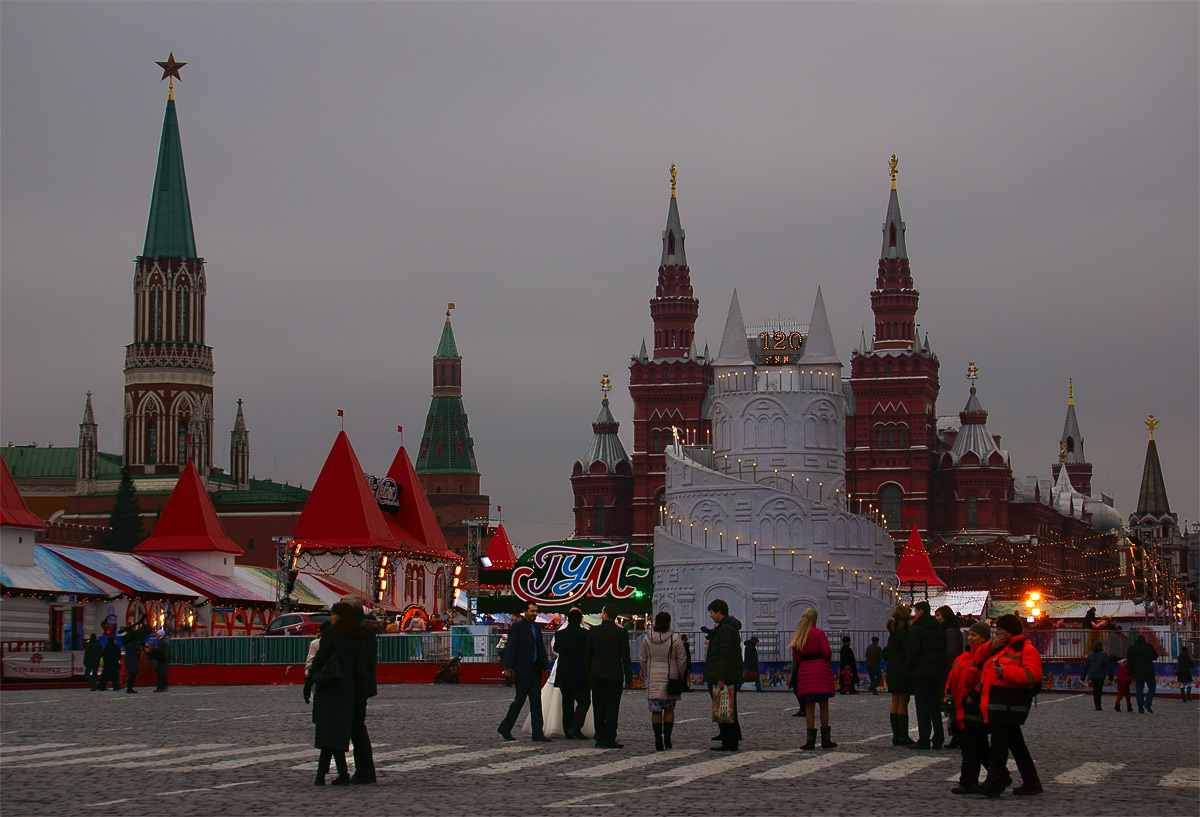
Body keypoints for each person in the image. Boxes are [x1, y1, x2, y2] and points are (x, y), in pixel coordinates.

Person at [974, 613, 1042, 797]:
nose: (997, 634)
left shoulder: (1026, 649)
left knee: (999, 742)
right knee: (1015, 743)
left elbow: (1032, 674)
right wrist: (990, 646)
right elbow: (976, 659)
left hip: (1011, 704)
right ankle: (1031, 781)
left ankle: (995, 780)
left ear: (1009, 632)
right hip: (998, 703)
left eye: (1000, 631)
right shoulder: (999, 648)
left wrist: (1006, 672)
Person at [303, 601, 368, 786]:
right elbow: (360, 668)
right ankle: (339, 773)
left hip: (329, 686)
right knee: (338, 733)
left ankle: (325, 774)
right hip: (348, 689)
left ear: (340, 616)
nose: (330, 617)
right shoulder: (357, 635)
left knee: (326, 732)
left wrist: (309, 682)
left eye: (333, 614)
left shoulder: (331, 634)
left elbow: (320, 658)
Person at [340, 594, 383, 784]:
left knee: (355, 728)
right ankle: (364, 769)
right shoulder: (367, 626)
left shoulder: (355, 629)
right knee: (357, 728)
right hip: (362, 683)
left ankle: (363, 770)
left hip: (354, 684)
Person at [946, 621, 993, 794]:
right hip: (962, 705)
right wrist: (948, 697)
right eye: (971, 635)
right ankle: (983, 777)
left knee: (973, 744)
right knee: (974, 745)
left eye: (975, 635)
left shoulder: (986, 656)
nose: (971, 638)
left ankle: (970, 780)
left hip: (977, 704)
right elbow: (952, 678)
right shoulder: (963, 657)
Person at [498, 602, 551, 742]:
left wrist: (545, 667)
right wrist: (508, 667)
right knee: (519, 701)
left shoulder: (536, 627)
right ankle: (505, 726)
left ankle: (537, 732)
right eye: (532, 611)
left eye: (536, 611)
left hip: (535, 670)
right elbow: (511, 648)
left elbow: (540, 649)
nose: (534, 614)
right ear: (525, 612)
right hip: (522, 670)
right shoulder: (518, 627)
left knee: (536, 702)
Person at [638, 611, 687, 751]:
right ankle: (668, 738)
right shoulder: (675, 639)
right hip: (670, 678)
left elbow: (642, 658)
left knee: (656, 710)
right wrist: (679, 674)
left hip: (654, 677)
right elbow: (681, 660)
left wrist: (648, 672)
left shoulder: (647, 639)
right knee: (669, 708)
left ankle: (657, 738)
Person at [584, 604, 632, 749]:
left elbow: (588, 655)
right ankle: (610, 737)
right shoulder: (621, 633)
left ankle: (599, 737)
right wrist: (628, 677)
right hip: (614, 675)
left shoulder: (594, 631)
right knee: (612, 707)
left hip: (596, 674)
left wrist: (588, 673)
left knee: (598, 707)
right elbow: (626, 657)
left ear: (605, 615)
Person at [789, 608, 837, 750]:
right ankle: (826, 739)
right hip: (820, 670)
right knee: (823, 704)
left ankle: (810, 740)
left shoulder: (799, 635)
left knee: (809, 706)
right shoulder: (819, 633)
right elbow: (827, 652)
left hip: (805, 671)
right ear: (815, 618)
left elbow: (796, 657)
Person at [905, 601, 946, 750]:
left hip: (921, 672)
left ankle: (924, 738)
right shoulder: (938, 627)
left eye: (916, 611)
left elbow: (913, 651)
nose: (915, 614)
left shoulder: (917, 628)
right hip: (936, 671)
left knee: (922, 706)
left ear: (921, 611)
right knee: (935, 706)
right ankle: (939, 737)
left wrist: (909, 668)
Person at [705, 599, 744, 751]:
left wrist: (721, 677)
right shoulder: (725, 628)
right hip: (724, 674)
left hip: (723, 676)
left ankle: (730, 741)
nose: (711, 616)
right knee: (724, 707)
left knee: (725, 708)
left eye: (712, 613)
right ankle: (729, 737)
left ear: (719, 612)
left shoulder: (726, 629)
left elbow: (725, 655)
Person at [553, 607, 590, 740]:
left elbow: (556, 649)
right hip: (580, 672)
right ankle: (575, 726)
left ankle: (567, 729)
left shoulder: (560, 634)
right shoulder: (585, 634)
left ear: (567, 619)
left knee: (566, 703)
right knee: (584, 701)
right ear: (581, 619)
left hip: (564, 672)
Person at [884, 606, 915, 746]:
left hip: (892, 666)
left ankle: (896, 735)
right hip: (903, 666)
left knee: (895, 700)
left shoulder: (893, 633)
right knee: (903, 701)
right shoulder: (907, 634)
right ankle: (903, 735)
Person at [1125, 634, 1159, 713]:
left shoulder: (1131, 648)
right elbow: (1155, 657)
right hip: (1148, 671)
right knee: (1152, 687)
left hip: (1137, 671)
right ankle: (1148, 702)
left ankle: (1140, 708)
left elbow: (1129, 662)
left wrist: (1130, 673)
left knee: (1139, 690)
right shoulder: (1148, 647)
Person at [1081, 642, 1113, 711]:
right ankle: (1098, 703)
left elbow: (1085, 666)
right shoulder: (1103, 655)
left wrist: (1083, 676)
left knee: (1095, 689)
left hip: (1092, 674)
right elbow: (1108, 666)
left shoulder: (1090, 655)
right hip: (1100, 674)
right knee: (1099, 689)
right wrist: (1111, 676)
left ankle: (1096, 703)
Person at [148, 628, 171, 692]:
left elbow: (160, 651)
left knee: (161, 674)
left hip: (161, 660)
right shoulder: (163, 641)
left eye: (157, 634)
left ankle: (160, 687)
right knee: (162, 673)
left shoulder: (161, 642)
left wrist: (152, 650)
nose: (156, 635)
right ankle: (163, 687)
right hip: (163, 659)